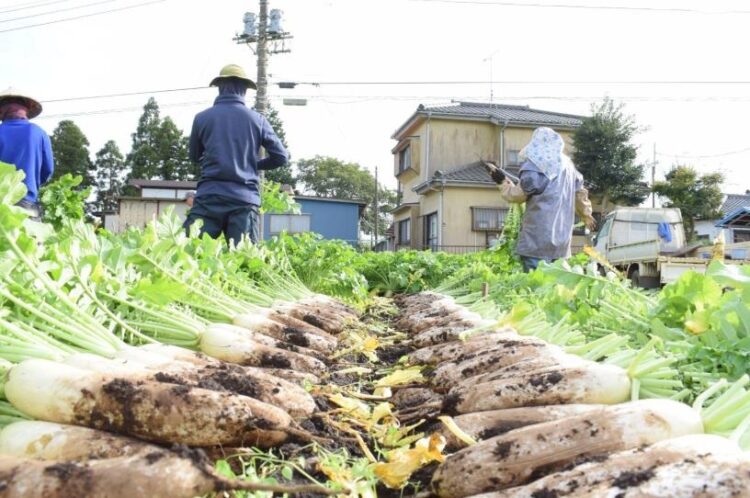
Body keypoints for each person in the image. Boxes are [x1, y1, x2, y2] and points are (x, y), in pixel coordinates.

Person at [184, 64, 288, 245]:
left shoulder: (202, 118)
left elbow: (194, 156)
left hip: (209, 197)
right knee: (246, 262)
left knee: (191, 254)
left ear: (219, 87)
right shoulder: (257, 120)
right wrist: (253, 164)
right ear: (244, 90)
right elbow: (281, 156)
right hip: (244, 200)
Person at [490, 127, 595, 272]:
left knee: (536, 284)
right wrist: (586, 215)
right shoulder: (568, 166)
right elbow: (580, 194)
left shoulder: (534, 166)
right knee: (555, 285)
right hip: (561, 239)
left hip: (536, 238)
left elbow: (516, 196)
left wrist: (502, 182)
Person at [0, 88, 54, 220]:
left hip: (1, 205)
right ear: (26, 109)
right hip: (27, 204)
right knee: (31, 240)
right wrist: (32, 181)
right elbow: (48, 170)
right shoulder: (39, 133)